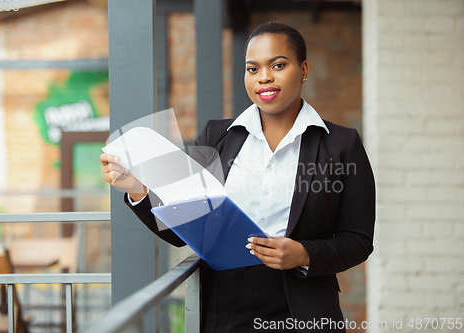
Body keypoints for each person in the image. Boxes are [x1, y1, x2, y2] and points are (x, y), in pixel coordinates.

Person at [100, 21, 375, 332]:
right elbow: (183, 232)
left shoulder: (340, 144)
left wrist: (304, 253)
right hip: (225, 307)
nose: (264, 77)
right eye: (252, 68)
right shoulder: (216, 136)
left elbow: (358, 240)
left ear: (304, 69)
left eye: (278, 65)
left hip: (303, 307)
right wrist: (137, 189)